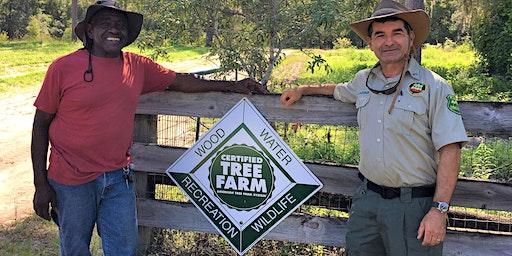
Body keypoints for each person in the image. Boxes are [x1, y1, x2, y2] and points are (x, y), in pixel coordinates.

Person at [31, 1, 267, 255]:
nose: (114, 29)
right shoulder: (62, 68)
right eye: (105, 24)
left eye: (120, 25)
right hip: (70, 179)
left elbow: (181, 81)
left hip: (117, 177)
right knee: (75, 248)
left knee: (125, 249)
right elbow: (40, 125)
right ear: (89, 31)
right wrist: (40, 185)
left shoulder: (137, 66)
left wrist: (232, 86)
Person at [280, 0, 467, 255]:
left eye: (397, 32)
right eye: (380, 35)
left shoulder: (434, 86)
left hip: (414, 206)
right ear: (370, 43)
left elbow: (451, 149)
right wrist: (303, 89)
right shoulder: (363, 80)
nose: (388, 41)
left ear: (411, 37)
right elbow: (336, 90)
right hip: (367, 202)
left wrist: (439, 210)